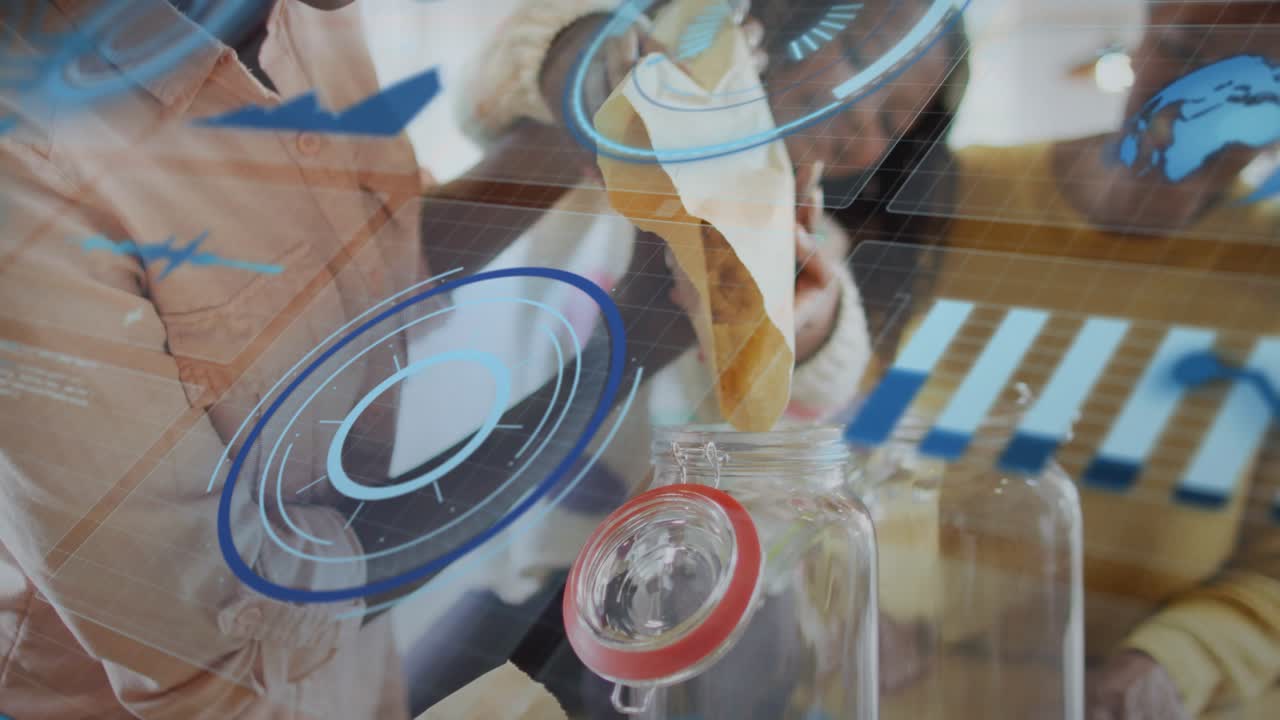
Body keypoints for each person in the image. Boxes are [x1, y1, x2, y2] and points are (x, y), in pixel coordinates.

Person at [0, 0, 758, 716]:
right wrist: (622, 353)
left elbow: (356, 274)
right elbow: (239, 624)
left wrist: (583, 133)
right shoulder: (28, 168)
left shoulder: (301, 20)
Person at [763, 1, 1279, 718]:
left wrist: (1173, 661)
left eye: (1259, 83)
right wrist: (834, 587)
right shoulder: (949, 195)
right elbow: (817, 431)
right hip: (892, 695)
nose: (1203, 105)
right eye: (1183, 51)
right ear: (1141, 38)